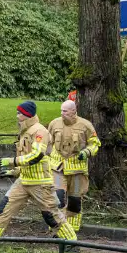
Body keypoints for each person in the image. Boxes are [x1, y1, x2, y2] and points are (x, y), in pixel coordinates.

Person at [0, 101, 77, 241]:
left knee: (51, 215)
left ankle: (70, 242)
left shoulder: (39, 131)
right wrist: (14, 172)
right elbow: (25, 158)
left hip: (40, 183)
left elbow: (36, 156)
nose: (17, 116)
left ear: (27, 115)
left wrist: (11, 161)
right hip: (24, 181)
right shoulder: (25, 131)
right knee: (3, 207)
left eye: (19, 113)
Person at [47, 99, 99, 237]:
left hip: (77, 170)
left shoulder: (86, 125)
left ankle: (72, 229)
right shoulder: (54, 123)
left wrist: (86, 152)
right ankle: (57, 229)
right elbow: (48, 142)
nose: (62, 113)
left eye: (65, 111)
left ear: (73, 111)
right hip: (58, 168)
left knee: (75, 200)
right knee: (58, 198)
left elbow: (95, 144)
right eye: (61, 111)